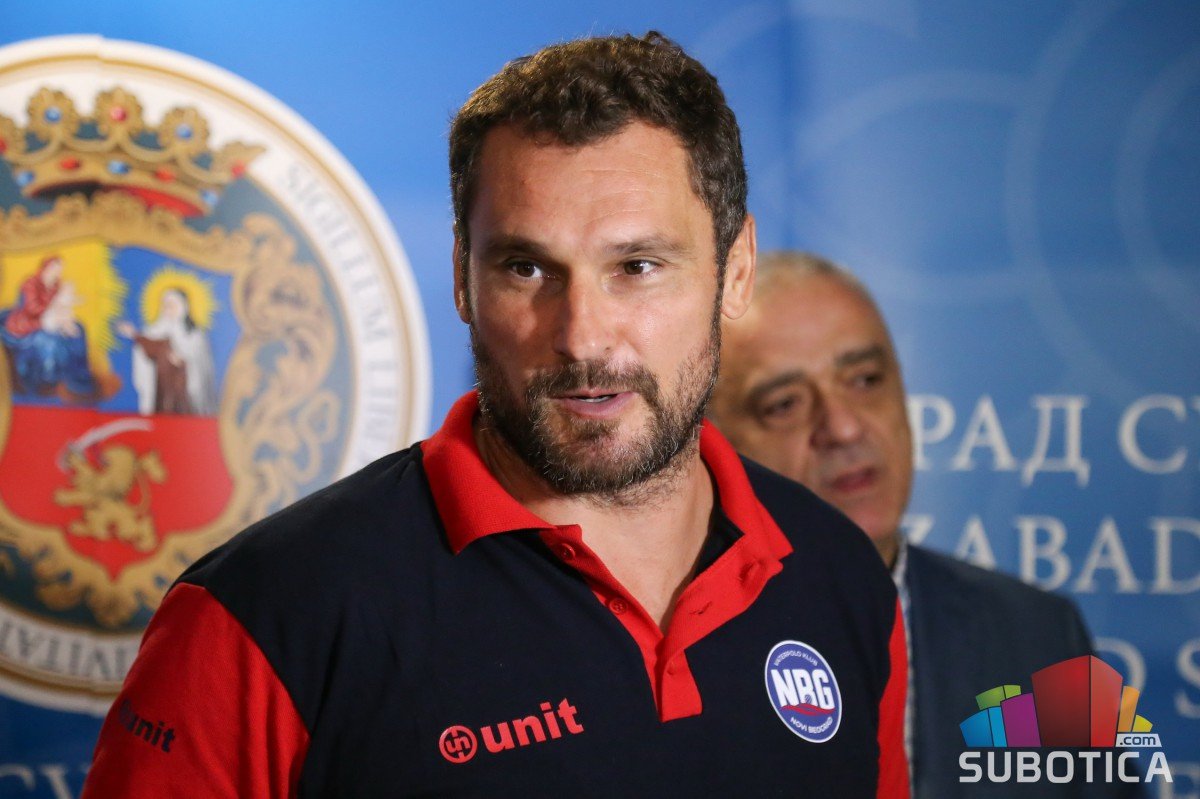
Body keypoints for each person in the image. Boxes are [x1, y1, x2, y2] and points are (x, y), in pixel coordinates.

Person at [83, 35, 907, 797]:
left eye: (638, 265)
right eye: (526, 267)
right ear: (462, 276)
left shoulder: (842, 575)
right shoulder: (267, 610)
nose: (582, 335)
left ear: (737, 270)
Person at [708, 251, 1140, 798]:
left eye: (865, 380)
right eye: (784, 404)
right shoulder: (671, 655)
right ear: (710, 442)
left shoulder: (1040, 637)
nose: (843, 428)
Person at [0, 255, 97, 398]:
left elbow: (62, 305)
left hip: (53, 319)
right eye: (55, 268)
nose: (57, 272)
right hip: (28, 323)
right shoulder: (31, 284)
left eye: (60, 269)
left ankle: (78, 373)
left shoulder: (57, 285)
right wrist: (55, 308)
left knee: (79, 330)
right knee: (48, 338)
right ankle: (46, 377)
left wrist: (64, 317)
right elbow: (32, 309)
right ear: (46, 268)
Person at [117, 287, 218, 415]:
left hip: (184, 394)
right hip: (162, 389)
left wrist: (183, 361)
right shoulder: (154, 331)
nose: (169, 309)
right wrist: (134, 334)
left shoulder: (195, 335)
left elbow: (202, 365)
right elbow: (150, 345)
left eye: (173, 305)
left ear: (183, 307)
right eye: (166, 305)